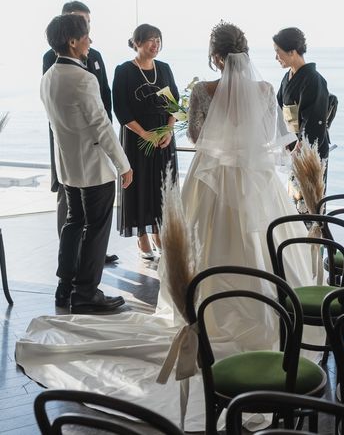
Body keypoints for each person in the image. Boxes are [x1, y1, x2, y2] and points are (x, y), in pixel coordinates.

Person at [16, 21, 319, 431]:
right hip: (257, 183)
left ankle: (206, 311)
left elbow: (195, 134)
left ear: (215, 56)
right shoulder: (265, 90)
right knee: (264, 244)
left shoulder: (204, 91)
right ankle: (270, 310)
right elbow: (275, 137)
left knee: (206, 244)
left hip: (211, 178)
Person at [40, 14, 132, 312]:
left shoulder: (47, 78)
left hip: (68, 167)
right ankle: (86, 293)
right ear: (72, 42)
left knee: (73, 223)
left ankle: (64, 287)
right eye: (86, 37)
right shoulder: (83, 79)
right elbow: (102, 126)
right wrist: (124, 164)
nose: (90, 41)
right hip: (93, 168)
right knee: (96, 229)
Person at [42, 1, 118, 264]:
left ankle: (85, 261)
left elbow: (104, 96)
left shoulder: (93, 56)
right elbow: (61, 105)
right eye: (81, 22)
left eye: (88, 22)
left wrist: (106, 131)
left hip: (91, 143)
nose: (87, 29)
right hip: (74, 144)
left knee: (84, 211)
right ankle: (76, 268)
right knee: (75, 206)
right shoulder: (54, 61)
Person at [112, 24, 179, 260]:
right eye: (151, 39)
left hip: (163, 139)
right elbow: (121, 109)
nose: (155, 44)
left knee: (162, 187)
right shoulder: (124, 71)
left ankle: (159, 233)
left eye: (158, 40)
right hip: (137, 140)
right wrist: (144, 134)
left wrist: (168, 131)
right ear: (137, 42)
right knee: (139, 186)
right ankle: (141, 236)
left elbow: (174, 104)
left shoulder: (164, 68)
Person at [274, 27, 331, 211]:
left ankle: (314, 230)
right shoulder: (287, 77)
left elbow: (313, 120)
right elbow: (278, 109)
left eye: (278, 51)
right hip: (292, 144)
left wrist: (299, 147)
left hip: (308, 149)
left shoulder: (313, 79)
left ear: (292, 51)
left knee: (310, 202)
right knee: (294, 200)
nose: (276, 57)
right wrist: (284, 142)